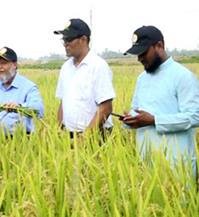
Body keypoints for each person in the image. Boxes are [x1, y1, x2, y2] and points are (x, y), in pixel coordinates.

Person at [122, 25, 199, 179]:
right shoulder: (142, 78)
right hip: (146, 162)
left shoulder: (182, 76)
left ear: (159, 46)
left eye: (143, 53)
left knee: (177, 201)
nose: (140, 59)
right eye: (137, 54)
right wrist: (130, 119)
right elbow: (136, 109)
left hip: (177, 165)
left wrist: (154, 120)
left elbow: (194, 117)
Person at [54, 18, 116, 137]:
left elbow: (106, 106)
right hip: (70, 134)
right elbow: (63, 102)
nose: (65, 44)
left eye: (69, 40)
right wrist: (59, 130)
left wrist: (86, 136)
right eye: (64, 40)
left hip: (95, 134)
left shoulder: (98, 66)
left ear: (83, 39)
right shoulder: (66, 68)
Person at [0, 47, 44, 135]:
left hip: (22, 140)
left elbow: (39, 109)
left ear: (15, 65)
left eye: (3, 63)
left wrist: (19, 107)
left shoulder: (28, 87)